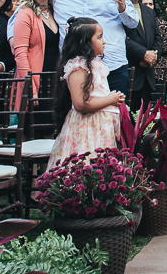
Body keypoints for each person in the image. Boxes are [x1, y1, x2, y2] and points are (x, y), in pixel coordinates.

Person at [53, 0, 139, 95]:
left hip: (112, 65)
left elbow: (133, 23)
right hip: (74, 67)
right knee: (74, 116)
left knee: (115, 115)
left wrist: (123, 8)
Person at [47, 17, 126, 169]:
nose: (104, 41)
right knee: (87, 166)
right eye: (99, 37)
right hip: (87, 130)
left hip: (100, 128)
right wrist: (110, 99)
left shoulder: (94, 65)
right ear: (84, 43)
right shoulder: (78, 68)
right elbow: (81, 104)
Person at [13, 0, 61, 105]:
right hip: (36, 79)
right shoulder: (25, 14)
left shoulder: (55, 11)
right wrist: (30, 87)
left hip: (55, 78)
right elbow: (20, 54)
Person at [122, 0, 163, 109]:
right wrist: (142, 55)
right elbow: (121, 38)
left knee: (145, 122)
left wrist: (152, 56)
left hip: (148, 74)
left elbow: (158, 37)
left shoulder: (148, 11)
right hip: (129, 72)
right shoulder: (118, 9)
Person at [141, 0, 167, 84]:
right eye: (145, 4)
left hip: (160, 72)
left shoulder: (162, 24)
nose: (148, 7)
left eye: (151, 4)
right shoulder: (135, 23)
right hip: (141, 71)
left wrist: (151, 55)